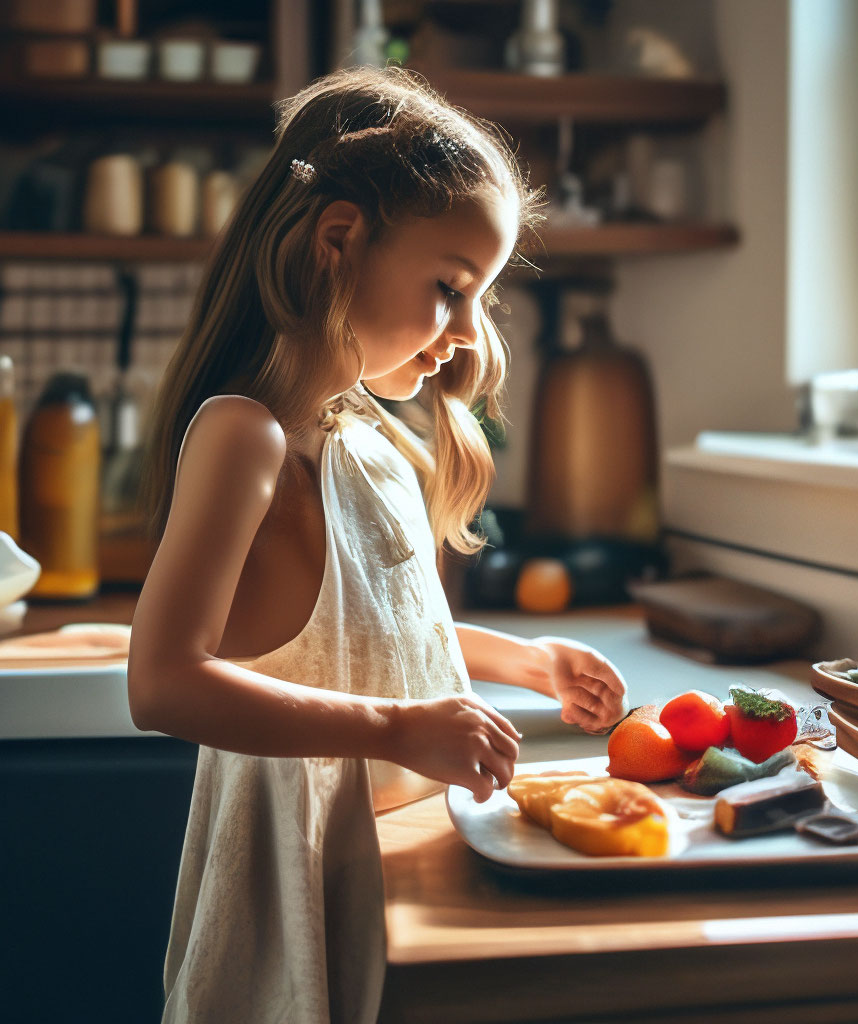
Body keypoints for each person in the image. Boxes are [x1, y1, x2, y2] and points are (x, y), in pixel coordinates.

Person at [127, 66, 630, 1024]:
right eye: (450, 287)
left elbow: (383, 635)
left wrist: (527, 660)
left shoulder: (369, 441)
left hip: (402, 857)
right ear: (340, 240)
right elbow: (162, 684)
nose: (469, 336)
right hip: (295, 886)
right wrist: (400, 731)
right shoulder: (247, 436)